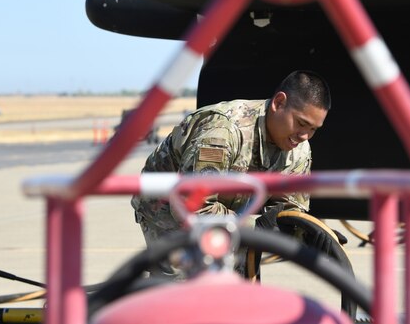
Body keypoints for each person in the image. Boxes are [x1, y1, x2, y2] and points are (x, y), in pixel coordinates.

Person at [130, 70, 331, 271]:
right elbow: (191, 207)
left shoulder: (299, 148)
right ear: (279, 103)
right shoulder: (223, 131)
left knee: (238, 282)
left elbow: (290, 209)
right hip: (166, 210)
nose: (305, 135)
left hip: (229, 212)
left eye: (313, 129)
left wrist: (308, 231)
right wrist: (257, 230)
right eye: (301, 123)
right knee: (186, 288)